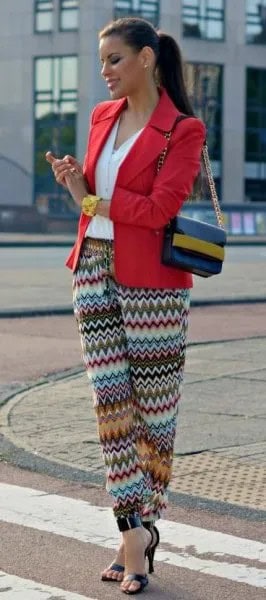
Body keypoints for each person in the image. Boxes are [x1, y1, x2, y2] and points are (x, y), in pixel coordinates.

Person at [46, 16, 205, 596]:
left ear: (145, 58)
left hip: (156, 285)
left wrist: (97, 198)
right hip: (92, 269)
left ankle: (141, 529)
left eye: (114, 59)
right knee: (111, 407)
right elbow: (102, 203)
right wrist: (77, 185)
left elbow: (162, 210)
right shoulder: (100, 119)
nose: (105, 72)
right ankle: (131, 534)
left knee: (153, 418)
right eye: (100, 62)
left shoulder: (183, 130)